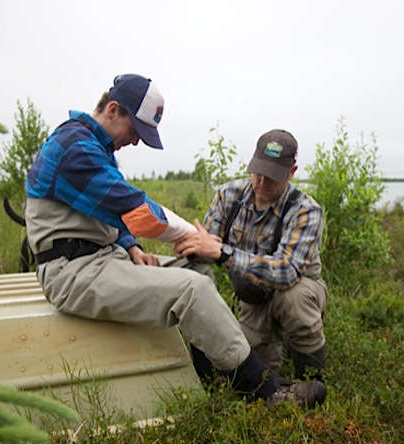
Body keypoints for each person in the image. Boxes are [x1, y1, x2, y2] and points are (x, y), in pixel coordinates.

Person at [23, 74, 326, 408]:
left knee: (195, 268)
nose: (136, 142)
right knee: (190, 289)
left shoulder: (94, 147)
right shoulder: (75, 149)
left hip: (102, 258)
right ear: (113, 109)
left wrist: (132, 247)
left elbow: (105, 211)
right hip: (73, 272)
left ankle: (206, 371)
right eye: (136, 132)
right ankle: (265, 391)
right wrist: (192, 236)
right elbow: (133, 207)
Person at [174, 129, 327, 381]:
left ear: (292, 173)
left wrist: (223, 253)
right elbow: (205, 249)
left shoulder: (305, 210)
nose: (262, 183)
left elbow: (287, 271)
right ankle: (280, 346)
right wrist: (187, 244)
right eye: (258, 172)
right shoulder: (229, 196)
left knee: (294, 301)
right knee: (256, 375)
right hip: (253, 299)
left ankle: (312, 379)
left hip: (297, 289)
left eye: (273, 177)